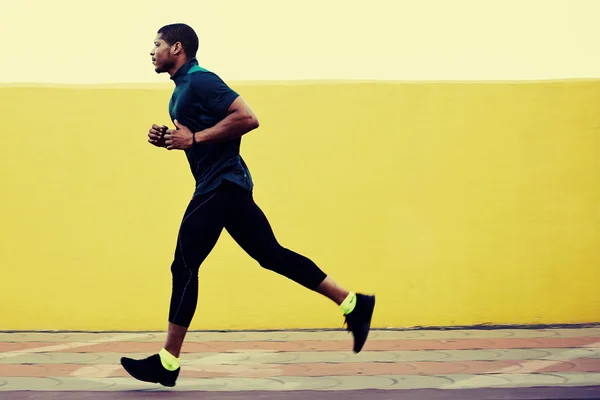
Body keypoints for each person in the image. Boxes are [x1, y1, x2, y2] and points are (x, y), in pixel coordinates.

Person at [120, 23, 376, 388]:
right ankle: (353, 303)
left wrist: (194, 137)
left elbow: (248, 118)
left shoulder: (202, 80)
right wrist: (169, 138)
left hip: (220, 186)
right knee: (270, 254)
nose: (151, 51)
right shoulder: (181, 91)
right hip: (229, 186)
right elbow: (197, 138)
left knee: (184, 266)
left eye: (157, 44)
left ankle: (168, 362)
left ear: (177, 48)